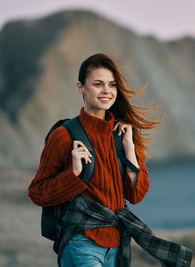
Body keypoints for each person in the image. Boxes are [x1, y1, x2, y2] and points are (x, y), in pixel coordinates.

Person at [28, 53, 163, 267]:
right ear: (81, 87)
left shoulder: (122, 135)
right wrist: (73, 174)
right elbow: (37, 192)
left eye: (112, 85)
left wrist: (129, 150)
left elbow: (136, 195)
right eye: (98, 84)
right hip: (80, 243)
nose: (107, 91)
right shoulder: (64, 135)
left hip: (116, 247)